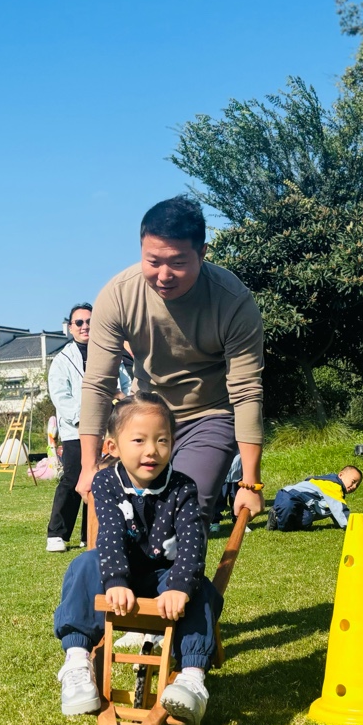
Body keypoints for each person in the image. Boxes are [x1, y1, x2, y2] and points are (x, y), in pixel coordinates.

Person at [77, 196, 266, 527]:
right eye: (153, 261)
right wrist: (88, 465)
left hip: (209, 415)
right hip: (145, 414)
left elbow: (246, 390)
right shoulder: (118, 295)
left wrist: (249, 483)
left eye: (178, 262)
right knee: (131, 519)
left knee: (184, 511)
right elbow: (98, 384)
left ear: (202, 253)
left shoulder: (232, 301)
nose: (164, 275)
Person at [52, 393, 221, 725]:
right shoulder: (106, 483)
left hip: (165, 576)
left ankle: (191, 678)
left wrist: (180, 587)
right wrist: (116, 580)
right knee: (84, 565)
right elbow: (110, 534)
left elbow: (193, 543)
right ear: (113, 447)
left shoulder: (183, 487)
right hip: (123, 574)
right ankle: (77, 661)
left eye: (162, 440)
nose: (151, 450)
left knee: (201, 589)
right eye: (139, 440)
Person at [44, 302, 130, 553]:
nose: (85, 326)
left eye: (90, 321)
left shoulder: (110, 354)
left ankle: (89, 532)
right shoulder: (62, 360)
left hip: (110, 430)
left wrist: (123, 402)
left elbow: (126, 387)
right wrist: (85, 419)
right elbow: (60, 396)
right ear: (70, 328)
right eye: (79, 322)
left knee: (105, 479)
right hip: (76, 431)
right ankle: (57, 534)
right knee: (73, 478)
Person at [267, 466, 362, 531]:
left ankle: (279, 521)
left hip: (304, 505)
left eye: (357, 485)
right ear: (341, 475)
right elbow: (339, 508)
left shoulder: (335, 491)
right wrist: (351, 525)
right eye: (353, 481)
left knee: (306, 521)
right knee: (287, 509)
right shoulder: (333, 485)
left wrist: (338, 523)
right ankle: (276, 516)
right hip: (290, 495)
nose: (354, 486)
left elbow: (334, 510)